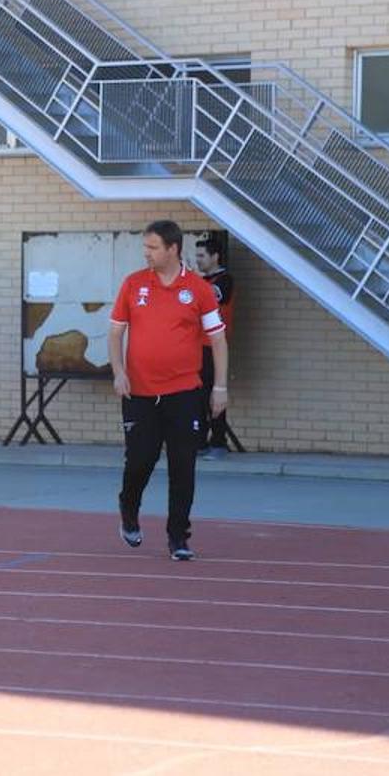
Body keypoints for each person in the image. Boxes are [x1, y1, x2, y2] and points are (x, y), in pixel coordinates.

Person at [109, 220, 228, 562]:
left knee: (183, 466)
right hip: (140, 394)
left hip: (184, 393)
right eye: (144, 247)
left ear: (173, 249)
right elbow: (116, 333)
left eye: (153, 247)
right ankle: (128, 507)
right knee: (140, 461)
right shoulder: (133, 284)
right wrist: (119, 373)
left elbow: (218, 341)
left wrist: (219, 387)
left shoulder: (199, 289)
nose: (146, 253)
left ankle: (178, 537)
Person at [195, 236, 234, 460]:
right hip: (197, 346)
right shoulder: (201, 282)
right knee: (197, 396)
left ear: (214, 256)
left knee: (214, 395)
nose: (198, 260)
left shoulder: (224, 280)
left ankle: (219, 442)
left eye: (202, 256)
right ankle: (200, 441)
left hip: (215, 347)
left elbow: (210, 297)